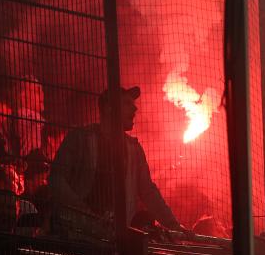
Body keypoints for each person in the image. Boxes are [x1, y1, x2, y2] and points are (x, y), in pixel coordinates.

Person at [49, 86, 182, 234]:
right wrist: (80, 210)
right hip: (77, 233)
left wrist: (174, 226)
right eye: (126, 103)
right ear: (109, 108)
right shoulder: (80, 138)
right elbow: (56, 179)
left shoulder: (134, 149)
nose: (134, 108)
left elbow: (148, 192)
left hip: (114, 237)